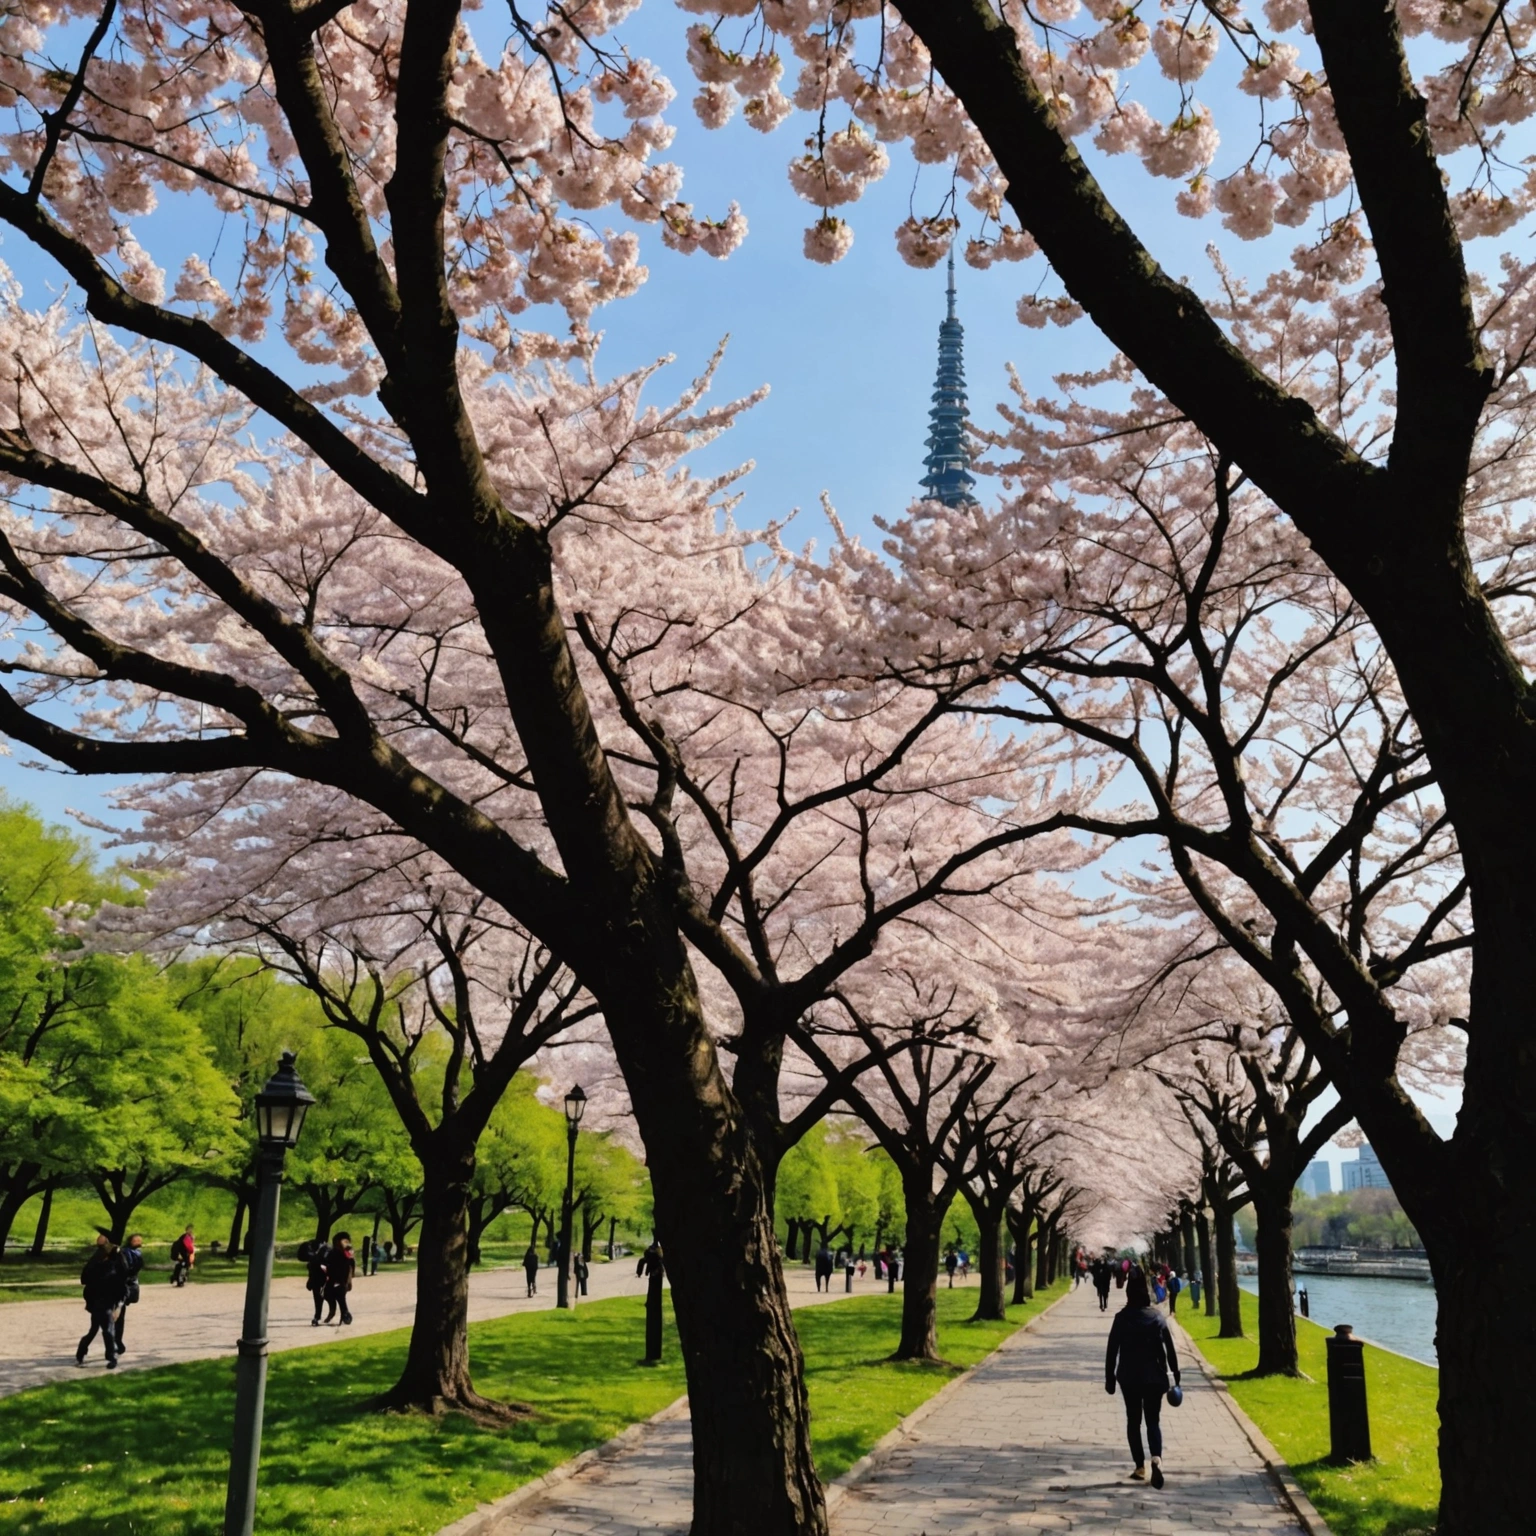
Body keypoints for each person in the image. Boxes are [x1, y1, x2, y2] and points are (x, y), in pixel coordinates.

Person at [1104, 1271, 1181, 1490]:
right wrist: (1175, 1373)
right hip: (1154, 1377)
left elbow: (1112, 1350)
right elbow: (1170, 1347)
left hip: (1129, 1377)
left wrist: (1109, 1378)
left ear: (1128, 1293)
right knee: (1153, 1420)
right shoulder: (1157, 1317)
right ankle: (1156, 1457)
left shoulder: (1121, 1318)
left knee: (1133, 1421)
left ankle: (1139, 1467)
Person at [77, 1235, 128, 1370]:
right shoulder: (98, 1266)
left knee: (102, 1329)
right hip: (99, 1302)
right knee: (101, 1329)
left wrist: (118, 1306)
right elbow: (85, 1280)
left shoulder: (113, 1266)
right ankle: (107, 1356)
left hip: (105, 1302)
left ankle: (107, 1356)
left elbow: (122, 1288)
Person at [115, 1233, 145, 1353]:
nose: (138, 1242)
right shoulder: (126, 1252)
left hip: (124, 1286)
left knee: (119, 1315)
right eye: (135, 1240)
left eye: (139, 1240)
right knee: (117, 1316)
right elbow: (128, 1270)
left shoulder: (133, 1253)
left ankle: (117, 1342)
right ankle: (116, 1342)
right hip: (123, 1286)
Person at [323, 1232, 355, 1324]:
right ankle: (339, 1312)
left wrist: (349, 1280)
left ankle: (344, 1314)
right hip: (333, 1278)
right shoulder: (333, 1252)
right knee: (328, 1294)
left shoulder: (346, 1253)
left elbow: (350, 1266)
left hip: (340, 1279)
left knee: (340, 1296)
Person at [305, 1236, 332, 1326]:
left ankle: (328, 1313)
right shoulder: (314, 1253)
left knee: (327, 1297)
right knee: (317, 1298)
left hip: (324, 1277)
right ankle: (317, 1316)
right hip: (316, 1278)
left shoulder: (326, 1251)